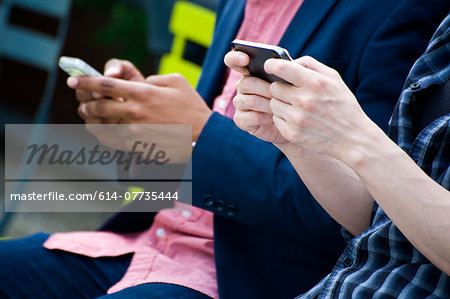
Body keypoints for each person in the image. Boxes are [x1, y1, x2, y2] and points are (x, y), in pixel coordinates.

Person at [0, 0, 448, 298]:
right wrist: (137, 125)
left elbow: (369, 215)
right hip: (142, 243)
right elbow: (197, 161)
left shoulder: (399, 11)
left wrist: (197, 128)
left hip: (239, 276)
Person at [230, 12, 450, 297]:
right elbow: (385, 217)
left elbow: (327, 220)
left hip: (226, 260)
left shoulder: (395, 10)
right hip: (167, 225)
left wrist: (191, 136)